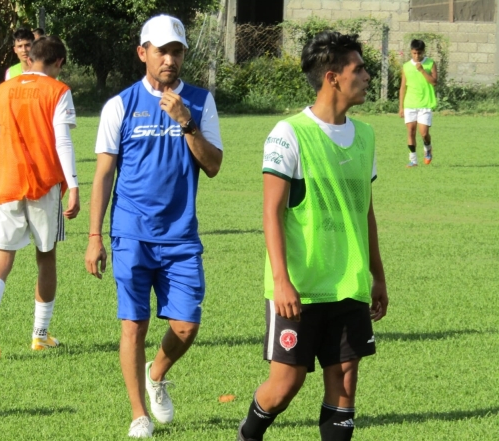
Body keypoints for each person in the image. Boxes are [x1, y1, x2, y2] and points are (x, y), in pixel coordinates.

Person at [237, 31, 388, 441]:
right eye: (359, 69)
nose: (368, 76)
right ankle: (248, 434)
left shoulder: (367, 136)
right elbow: (271, 212)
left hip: (349, 284)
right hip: (300, 288)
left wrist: (378, 274)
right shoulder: (289, 134)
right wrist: (282, 281)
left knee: (345, 381)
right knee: (286, 385)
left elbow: (365, 210)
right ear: (332, 77)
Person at [84, 14, 223, 439]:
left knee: (186, 325)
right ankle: (138, 414)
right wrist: (94, 238)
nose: (170, 59)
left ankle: (157, 373)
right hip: (130, 233)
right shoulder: (120, 105)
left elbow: (214, 165)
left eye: (177, 51)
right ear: (143, 53)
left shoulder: (200, 102)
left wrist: (185, 120)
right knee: (133, 324)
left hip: (181, 236)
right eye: (161, 50)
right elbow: (104, 175)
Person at [0, 36, 80, 360]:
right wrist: (74, 185)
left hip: (6, 183)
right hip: (44, 185)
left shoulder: (3, 89)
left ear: (30, 56)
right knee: (45, 257)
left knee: (2, 258)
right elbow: (63, 142)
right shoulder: (59, 91)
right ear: (59, 63)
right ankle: (39, 334)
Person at [399, 39, 438, 167]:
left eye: (419, 53)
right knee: (410, 131)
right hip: (410, 104)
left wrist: (422, 70)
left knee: (424, 133)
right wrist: (401, 107)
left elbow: (434, 82)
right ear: (411, 52)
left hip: (425, 104)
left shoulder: (430, 64)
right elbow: (403, 87)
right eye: (414, 53)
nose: (417, 56)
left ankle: (428, 149)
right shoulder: (406, 66)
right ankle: (413, 160)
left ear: (423, 52)